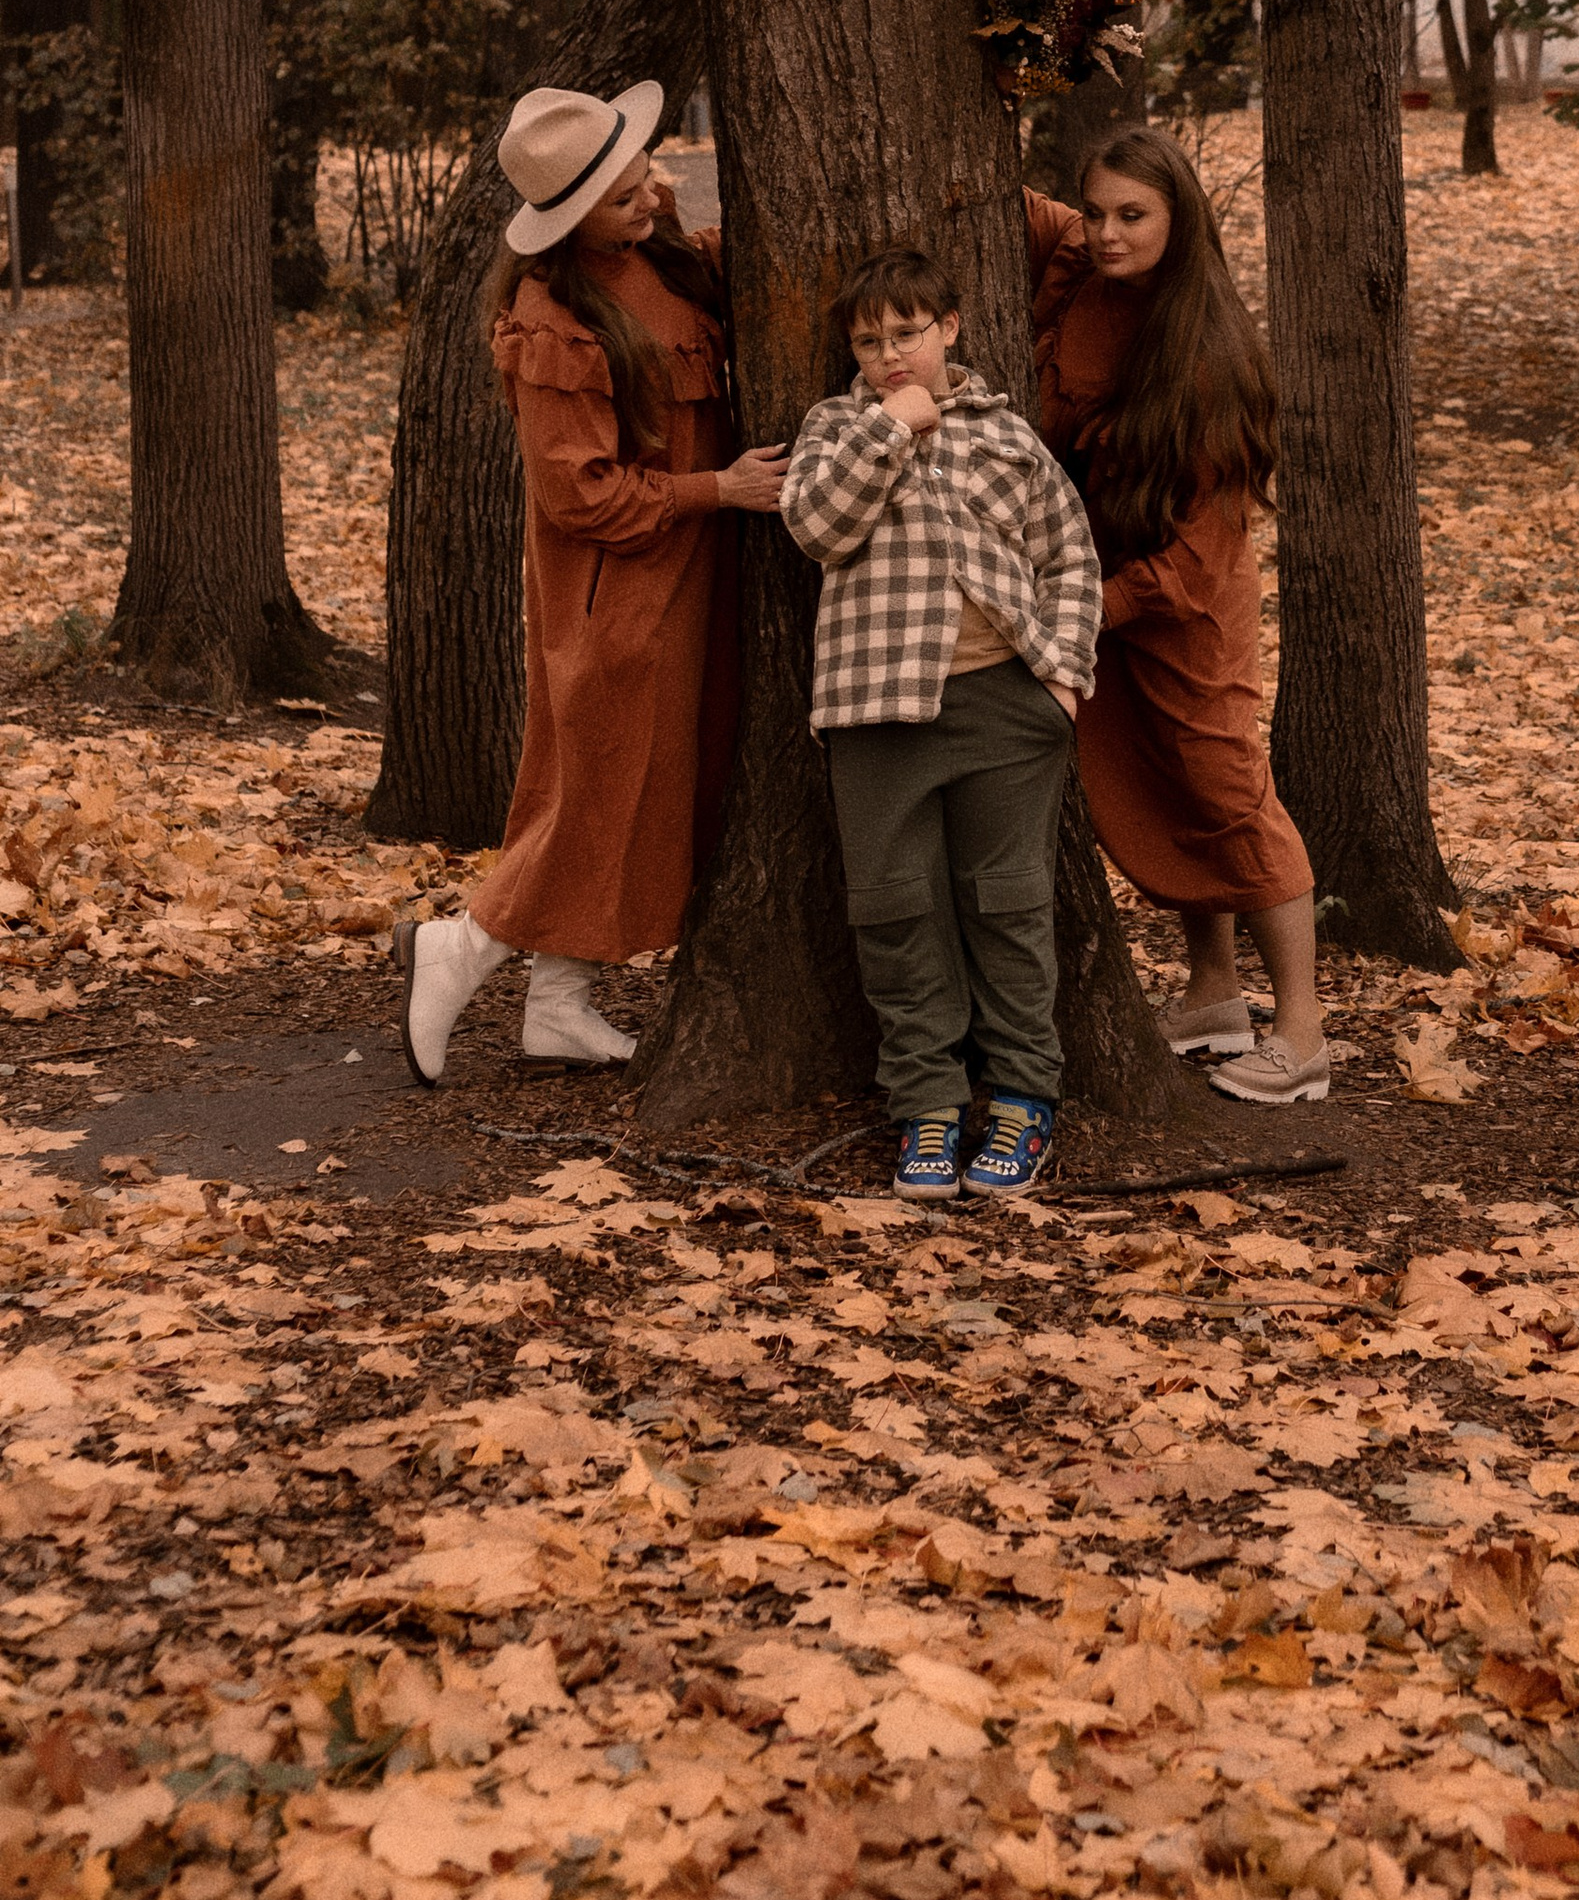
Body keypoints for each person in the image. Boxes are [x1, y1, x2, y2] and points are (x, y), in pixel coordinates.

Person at [396, 81, 788, 1085]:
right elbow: (580, 496)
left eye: (643, 173)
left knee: (644, 793)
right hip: (616, 590)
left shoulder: (662, 257)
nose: (649, 197)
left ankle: (558, 1006)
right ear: (567, 224)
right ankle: (468, 943)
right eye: (622, 197)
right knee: (593, 794)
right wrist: (719, 487)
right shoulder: (553, 318)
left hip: (691, 577)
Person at [782, 247, 1103, 1203]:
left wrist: (1064, 679)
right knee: (894, 908)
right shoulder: (837, 426)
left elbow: (1071, 556)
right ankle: (926, 1100)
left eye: (907, 336)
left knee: (1008, 902)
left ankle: (1022, 1099)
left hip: (1007, 703)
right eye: (869, 341)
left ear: (950, 328)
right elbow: (815, 527)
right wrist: (890, 425)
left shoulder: (1006, 433)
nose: (890, 355)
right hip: (873, 710)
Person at [1029, 126, 1329, 1103]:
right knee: (1159, 787)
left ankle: (1302, 1033)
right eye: (1099, 210)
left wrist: (1077, 609)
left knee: (1225, 791)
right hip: (1104, 593)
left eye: (1134, 215)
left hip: (1178, 609)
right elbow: (1012, 205)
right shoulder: (1081, 268)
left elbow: (1195, 565)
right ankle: (1212, 994)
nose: (1109, 233)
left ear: (1178, 218)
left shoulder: (1207, 353)